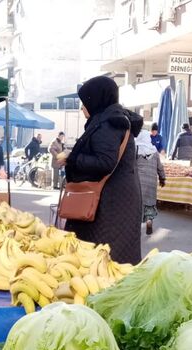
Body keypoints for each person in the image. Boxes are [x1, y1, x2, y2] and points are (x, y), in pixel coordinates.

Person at [64, 75, 143, 264]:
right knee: (111, 257)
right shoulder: (111, 120)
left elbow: (105, 161)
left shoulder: (109, 124)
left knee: (102, 259)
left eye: (85, 101)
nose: (82, 107)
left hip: (109, 205)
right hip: (118, 199)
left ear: (96, 100)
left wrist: (72, 158)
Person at [135, 129, 165, 236]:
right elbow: (160, 167)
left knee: (137, 204)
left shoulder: (136, 149)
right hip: (152, 181)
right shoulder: (154, 150)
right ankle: (149, 221)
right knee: (149, 203)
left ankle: (136, 227)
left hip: (138, 182)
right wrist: (162, 178)